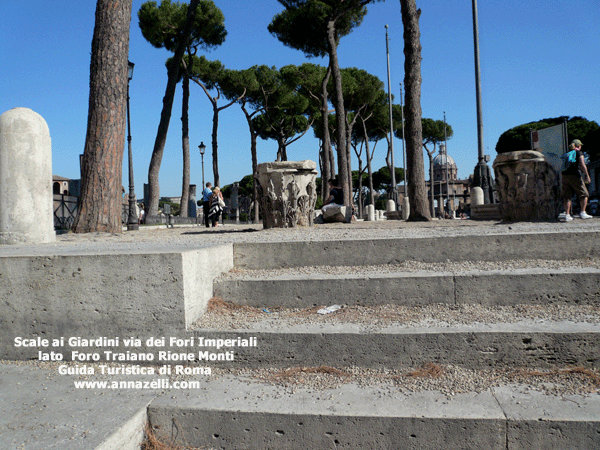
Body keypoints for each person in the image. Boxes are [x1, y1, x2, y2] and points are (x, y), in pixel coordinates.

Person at [560, 139, 592, 221]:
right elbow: (582, 164)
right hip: (575, 175)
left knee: (567, 196)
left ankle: (567, 215)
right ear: (578, 146)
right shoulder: (578, 153)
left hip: (564, 176)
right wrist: (587, 175)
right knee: (584, 194)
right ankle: (583, 212)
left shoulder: (567, 154)